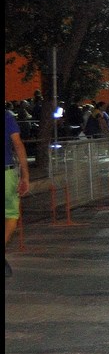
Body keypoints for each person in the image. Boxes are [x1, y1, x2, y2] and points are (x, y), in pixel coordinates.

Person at [5, 109, 30, 278]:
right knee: (12, 215)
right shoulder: (6, 116)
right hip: (6, 175)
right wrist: (25, 175)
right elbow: (18, 144)